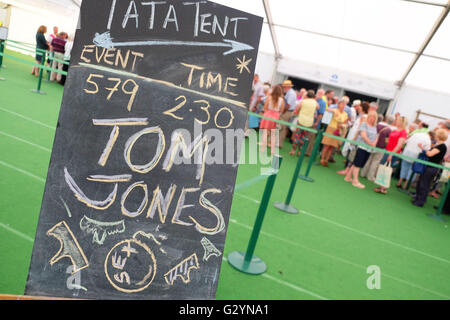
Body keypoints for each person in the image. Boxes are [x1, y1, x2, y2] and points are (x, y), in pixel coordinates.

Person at [412, 129, 448, 207]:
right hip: (429, 167)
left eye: (436, 135)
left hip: (431, 168)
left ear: (438, 136)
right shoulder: (439, 145)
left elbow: (430, 154)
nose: (435, 136)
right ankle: (418, 198)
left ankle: (420, 201)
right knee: (422, 183)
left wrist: (422, 148)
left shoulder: (441, 146)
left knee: (424, 184)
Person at [374, 116, 409, 195]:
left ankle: (384, 188)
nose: (396, 121)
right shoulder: (396, 130)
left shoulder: (403, 132)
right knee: (383, 167)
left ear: (401, 122)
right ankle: (381, 186)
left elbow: (399, 145)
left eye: (398, 120)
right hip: (388, 150)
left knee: (387, 169)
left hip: (392, 152)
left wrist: (391, 154)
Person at [344, 111, 378, 189]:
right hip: (362, 147)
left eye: (374, 117)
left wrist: (373, 144)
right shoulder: (364, 124)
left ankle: (348, 177)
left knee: (358, 163)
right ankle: (355, 181)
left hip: (369, 149)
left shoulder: (374, 126)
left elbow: (376, 136)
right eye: (371, 116)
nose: (372, 119)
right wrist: (371, 144)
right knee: (358, 164)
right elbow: (363, 135)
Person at [337, 101, 369, 175]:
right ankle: (347, 170)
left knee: (352, 154)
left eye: (360, 107)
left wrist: (354, 139)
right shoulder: (361, 116)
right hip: (353, 136)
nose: (358, 108)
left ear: (363, 108)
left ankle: (347, 170)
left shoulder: (364, 117)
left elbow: (359, 129)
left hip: (355, 138)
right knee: (350, 153)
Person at [360, 115, 395, 181]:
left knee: (369, 159)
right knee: (375, 162)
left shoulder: (376, 125)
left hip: (372, 145)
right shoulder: (389, 130)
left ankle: (363, 173)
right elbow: (387, 141)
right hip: (381, 147)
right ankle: (370, 176)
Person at [397, 123, 431, 190]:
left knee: (404, 167)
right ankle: (405, 185)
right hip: (416, 156)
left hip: (407, 153)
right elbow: (427, 150)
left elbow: (406, 142)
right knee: (412, 171)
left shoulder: (415, 134)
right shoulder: (427, 139)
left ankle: (399, 182)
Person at [289, 90, 319, 156]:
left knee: (297, 135)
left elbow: (297, 109)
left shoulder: (303, 101)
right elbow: (318, 108)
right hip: (309, 122)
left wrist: (298, 112)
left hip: (301, 120)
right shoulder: (315, 103)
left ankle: (293, 150)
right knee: (304, 137)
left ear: (307, 95)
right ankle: (299, 152)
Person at [320, 99, 348, 166]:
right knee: (326, 145)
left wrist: (342, 125)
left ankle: (326, 160)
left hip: (338, 130)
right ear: (338, 104)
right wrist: (333, 111)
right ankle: (322, 159)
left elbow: (345, 123)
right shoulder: (335, 110)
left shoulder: (345, 114)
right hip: (331, 128)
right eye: (341, 104)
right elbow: (326, 109)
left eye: (344, 104)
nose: (343, 105)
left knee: (332, 147)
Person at [259, 85, 285, 154]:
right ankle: (272, 151)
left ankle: (262, 149)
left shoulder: (269, 97)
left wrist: (268, 112)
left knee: (266, 132)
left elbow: (265, 107)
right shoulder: (282, 100)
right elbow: (282, 110)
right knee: (273, 133)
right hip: (276, 116)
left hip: (267, 115)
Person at [305, 89, 327, 156]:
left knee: (312, 137)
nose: (319, 94)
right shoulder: (313, 100)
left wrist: (317, 122)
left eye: (321, 93)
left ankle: (308, 152)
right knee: (306, 135)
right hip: (308, 120)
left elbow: (321, 114)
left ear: (323, 95)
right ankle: (303, 150)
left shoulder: (323, 102)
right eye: (318, 93)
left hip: (315, 122)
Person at [279, 80, 297, 148]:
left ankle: (279, 143)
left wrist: (282, 111)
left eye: (284, 87)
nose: (283, 88)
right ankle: (278, 143)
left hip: (287, 112)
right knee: (282, 127)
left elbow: (288, 105)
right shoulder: (289, 93)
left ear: (287, 87)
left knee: (282, 127)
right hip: (287, 111)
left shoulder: (291, 93)